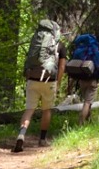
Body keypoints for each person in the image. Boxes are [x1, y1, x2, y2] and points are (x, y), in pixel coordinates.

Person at [14, 18, 66, 152]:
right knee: (46, 110)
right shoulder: (59, 45)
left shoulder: (35, 41)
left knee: (29, 110)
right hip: (49, 80)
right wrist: (58, 83)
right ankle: (42, 139)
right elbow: (61, 67)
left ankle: (21, 134)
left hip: (32, 78)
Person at [64, 31, 99, 122]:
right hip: (92, 80)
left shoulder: (85, 48)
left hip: (82, 78)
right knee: (87, 102)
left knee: (87, 101)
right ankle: (81, 123)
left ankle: (88, 120)